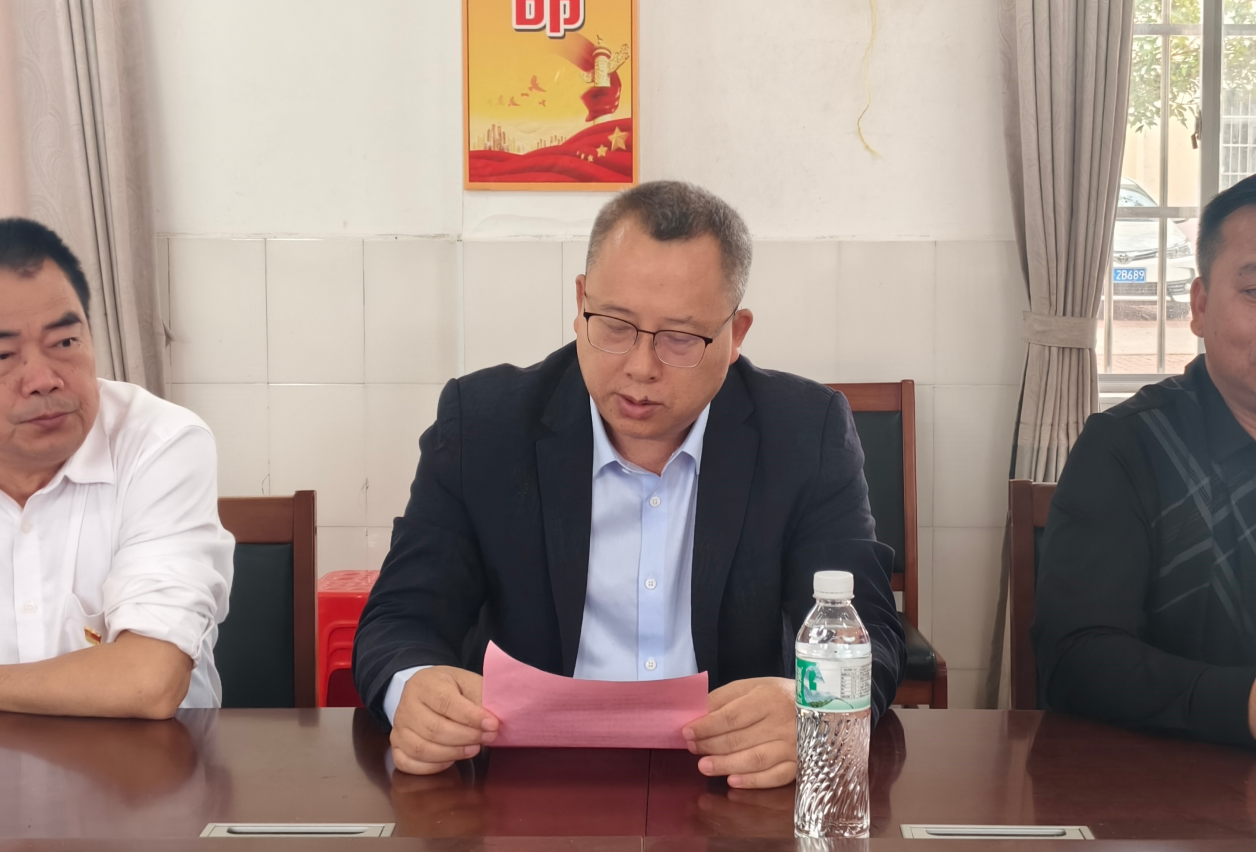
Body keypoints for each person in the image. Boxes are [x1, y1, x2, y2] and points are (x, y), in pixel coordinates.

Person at [354, 181, 905, 788]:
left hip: (730, 782)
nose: (641, 367)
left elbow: (869, 632)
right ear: (580, 301)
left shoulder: (805, 432)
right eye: (614, 325)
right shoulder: (484, 425)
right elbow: (400, 619)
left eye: (680, 338)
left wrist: (813, 712)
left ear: (736, 334)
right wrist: (414, 689)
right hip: (527, 782)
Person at [1033, 173, 1256, 746]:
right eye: (1255, 292)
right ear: (1200, 305)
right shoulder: (1126, 448)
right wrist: (1244, 703)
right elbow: (1075, 659)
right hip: (1170, 782)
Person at [0, 218, 233, 718]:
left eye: (65, 342)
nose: (43, 379)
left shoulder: (160, 442)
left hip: (147, 764)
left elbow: (148, 682)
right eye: (3, 354)